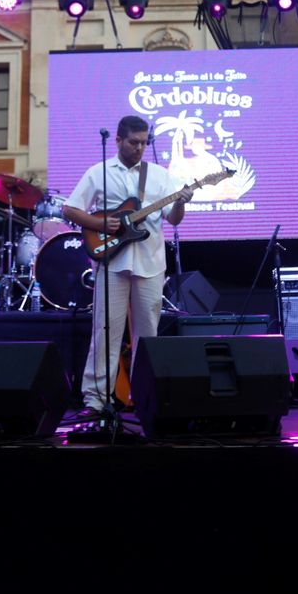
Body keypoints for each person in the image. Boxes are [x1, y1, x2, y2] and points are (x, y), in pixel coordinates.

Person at [64, 115, 192, 415]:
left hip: (150, 262)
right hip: (111, 262)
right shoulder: (100, 173)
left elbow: (173, 219)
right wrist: (98, 223)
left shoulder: (160, 175)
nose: (139, 148)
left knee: (147, 335)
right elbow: (70, 208)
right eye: (133, 142)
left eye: (144, 143)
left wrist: (183, 200)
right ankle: (96, 400)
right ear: (119, 140)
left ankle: (144, 396)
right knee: (105, 331)